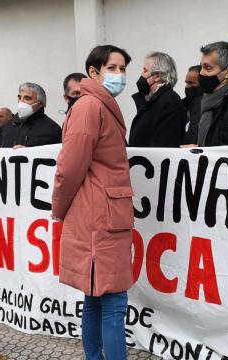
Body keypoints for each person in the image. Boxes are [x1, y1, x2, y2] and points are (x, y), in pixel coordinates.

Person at [52, 45, 134, 360]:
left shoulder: (98, 104)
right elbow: (70, 166)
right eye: (113, 68)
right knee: (112, 302)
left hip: (103, 212)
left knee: (97, 298)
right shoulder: (90, 106)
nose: (120, 75)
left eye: (123, 68)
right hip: (100, 215)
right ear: (93, 72)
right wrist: (59, 208)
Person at [129, 52, 187, 147]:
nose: (142, 74)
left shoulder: (170, 101)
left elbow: (165, 144)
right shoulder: (152, 99)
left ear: (158, 76)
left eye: (145, 71)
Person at [0, 83, 61, 153]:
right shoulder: (7, 126)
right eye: (19, 98)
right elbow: (0, 148)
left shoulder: (52, 129)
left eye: (27, 98)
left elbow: (54, 156)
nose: (21, 102)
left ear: (40, 104)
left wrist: (29, 152)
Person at [182, 65, 203, 145]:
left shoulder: (207, 109)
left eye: (191, 83)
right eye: (186, 82)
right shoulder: (180, 106)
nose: (187, 86)